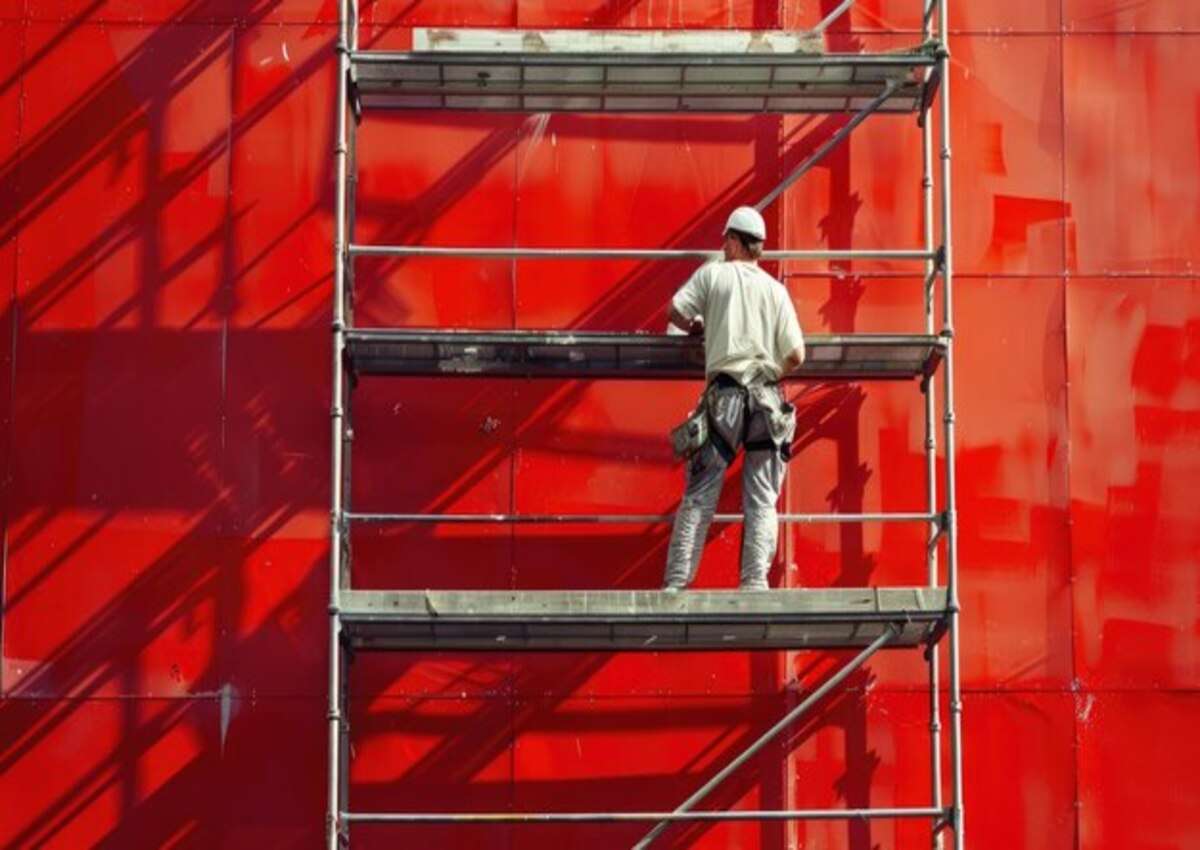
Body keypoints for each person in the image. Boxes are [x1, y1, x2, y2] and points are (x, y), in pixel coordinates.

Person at [663, 206, 805, 591]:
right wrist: (769, 372)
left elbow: (675, 310)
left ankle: (676, 584)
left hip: (725, 395)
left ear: (733, 241)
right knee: (761, 498)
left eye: (726, 240)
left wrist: (696, 327)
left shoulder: (714, 275)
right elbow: (796, 355)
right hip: (766, 400)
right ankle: (754, 583)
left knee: (700, 493)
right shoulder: (776, 291)